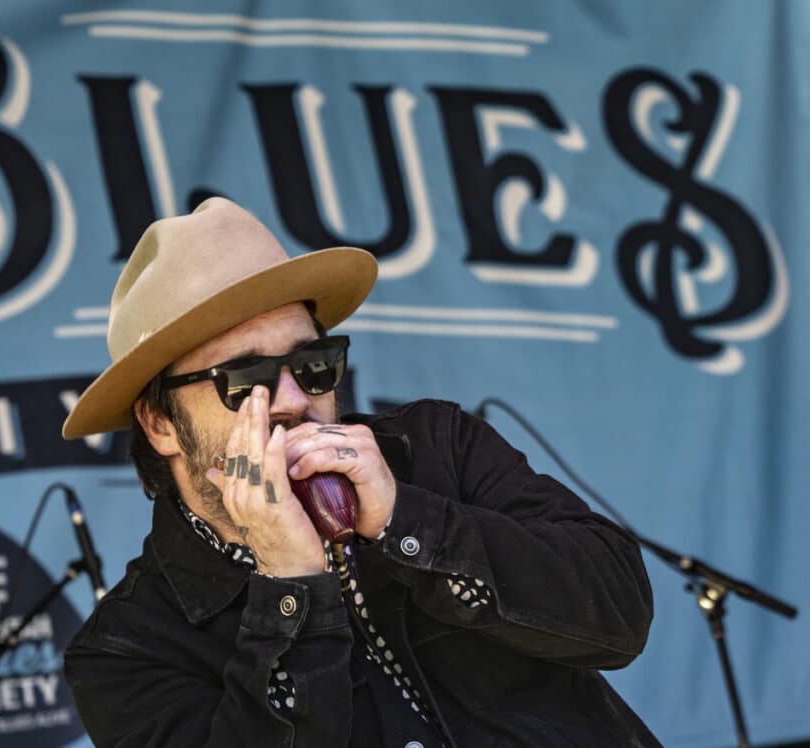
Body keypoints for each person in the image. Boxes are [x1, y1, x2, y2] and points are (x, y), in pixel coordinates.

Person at [61, 197, 658, 747]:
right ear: (160, 422)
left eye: (312, 362)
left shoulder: (434, 448)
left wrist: (407, 520)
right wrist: (289, 586)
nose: (295, 398)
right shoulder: (128, 650)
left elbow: (620, 615)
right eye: (246, 378)